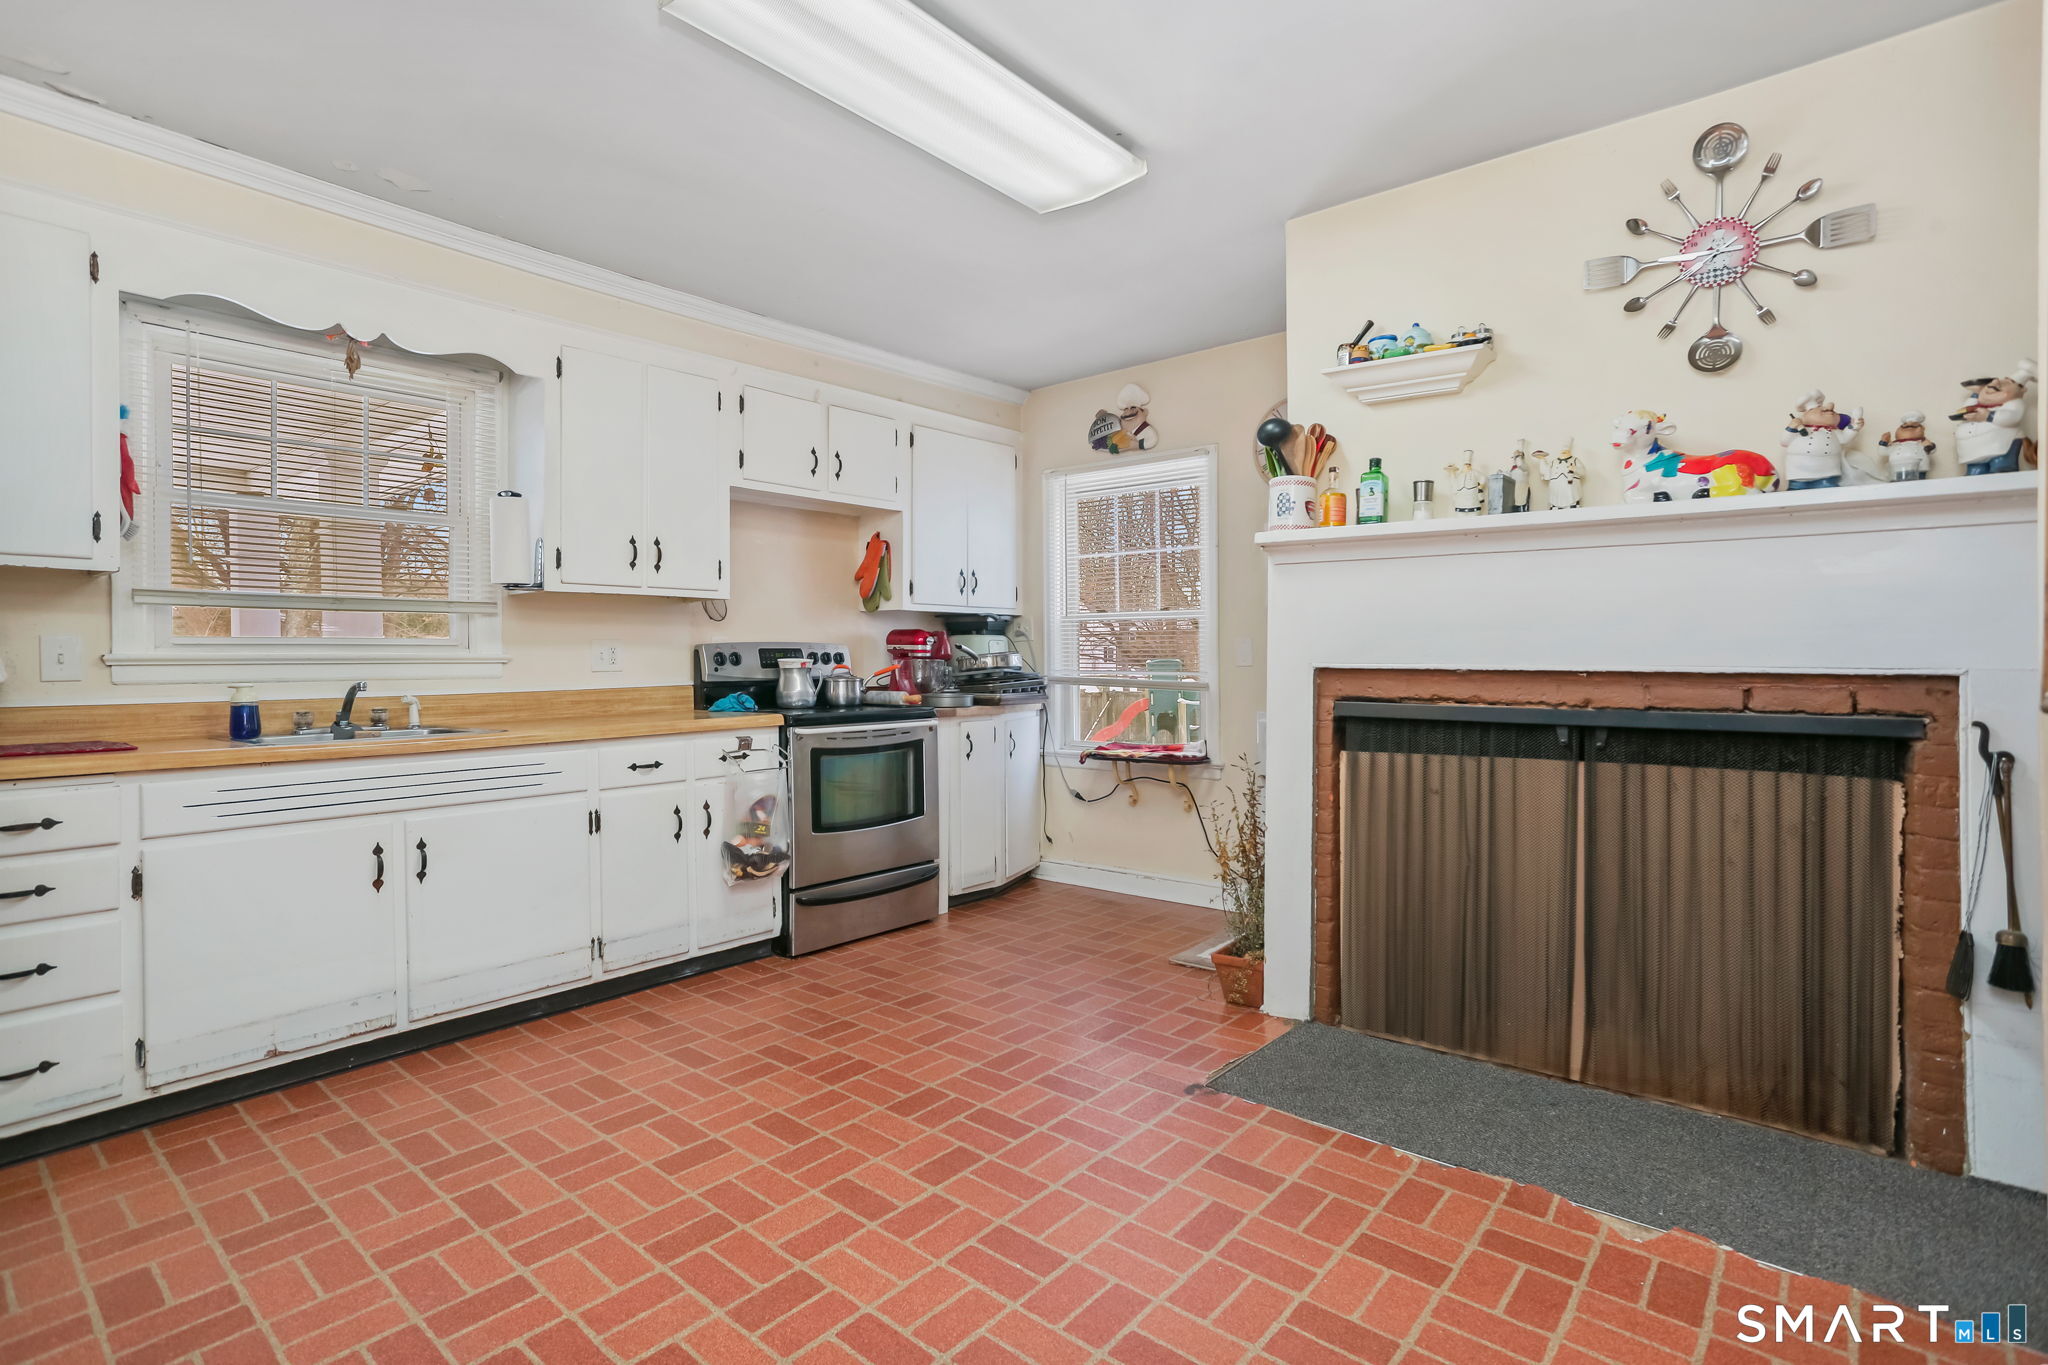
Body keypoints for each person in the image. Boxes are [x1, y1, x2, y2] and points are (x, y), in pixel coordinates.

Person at [1952, 361, 2035, 475]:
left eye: (2008, 382)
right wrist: (1976, 393)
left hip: (2001, 447)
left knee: (2001, 468)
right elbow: (1966, 409)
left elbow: (2011, 417)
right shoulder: (1976, 403)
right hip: (1974, 453)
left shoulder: (2015, 404)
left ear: (2021, 391)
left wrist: (1987, 416)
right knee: (1975, 475)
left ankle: (2003, 469)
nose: (1995, 383)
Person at [1779, 390, 1863, 490]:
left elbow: (1845, 438)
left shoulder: (1834, 432)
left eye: (1833, 413)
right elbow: (1784, 441)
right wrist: (1791, 427)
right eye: (1822, 411)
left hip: (1827, 474)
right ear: (1806, 414)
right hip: (1798, 475)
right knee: (1796, 495)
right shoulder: (1798, 429)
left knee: (1830, 495)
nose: (1830, 412)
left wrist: (1855, 427)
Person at [1876, 412, 1935, 481]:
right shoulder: (1895, 445)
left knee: (1918, 486)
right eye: (1905, 426)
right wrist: (1883, 441)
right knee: (1899, 486)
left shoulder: (1922, 442)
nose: (1908, 428)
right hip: (1897, 470)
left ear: (1922, 429)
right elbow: (1882, 452)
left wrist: (1929, 446)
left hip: (1918, 470)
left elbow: (1931, 449)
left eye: (1913, 426)